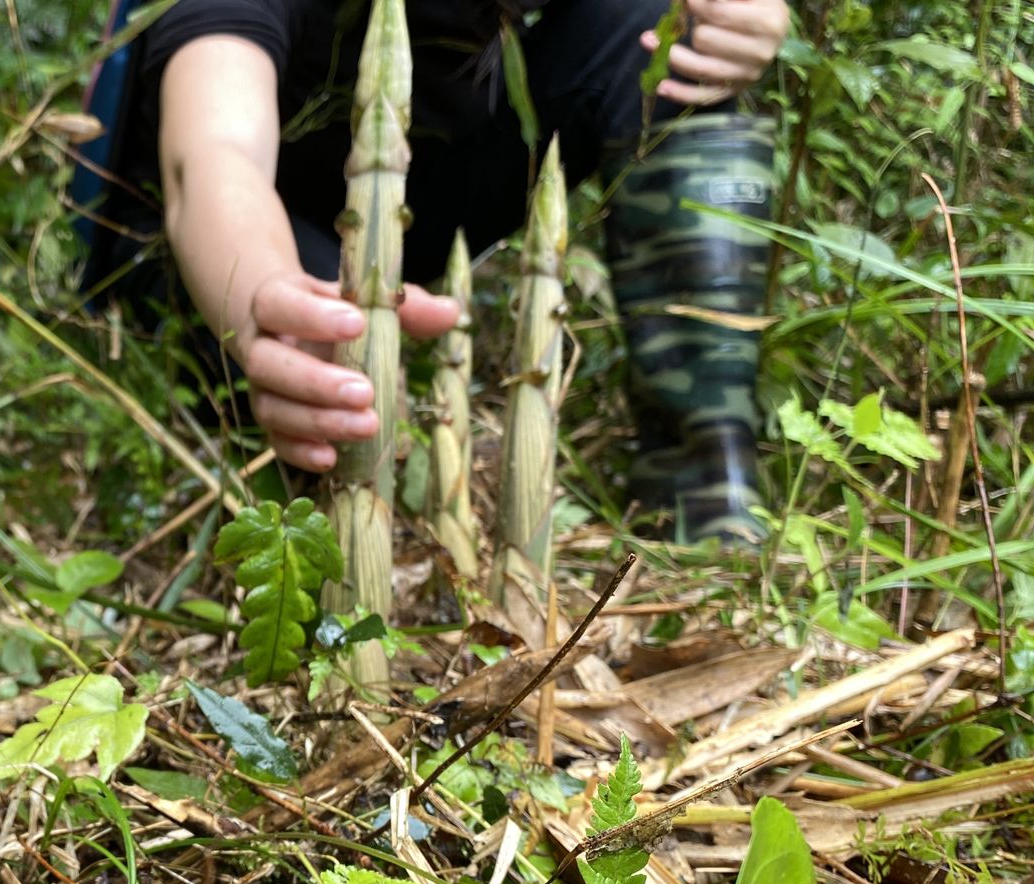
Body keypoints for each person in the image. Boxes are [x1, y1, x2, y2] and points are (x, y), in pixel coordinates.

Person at [78, 0, 792, 544]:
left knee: (670, 26)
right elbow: (211, 155)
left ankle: (703, 478)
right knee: (334, 432)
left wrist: (742, 19)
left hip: (420, 186)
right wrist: (271, 299)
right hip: (237, 241)